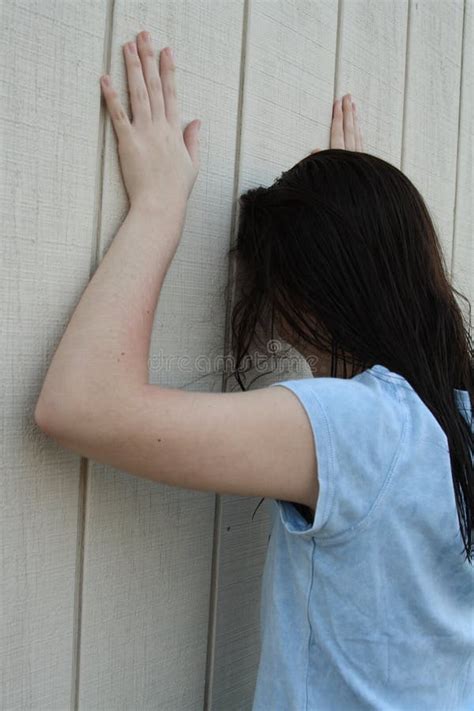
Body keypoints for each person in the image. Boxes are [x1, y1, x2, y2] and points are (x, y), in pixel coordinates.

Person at [34, 31, 473, 710]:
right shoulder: (456, 419)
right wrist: (355, 218)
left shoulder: (361, 426)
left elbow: (80, 404)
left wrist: (158, 206)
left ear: (299, 298)